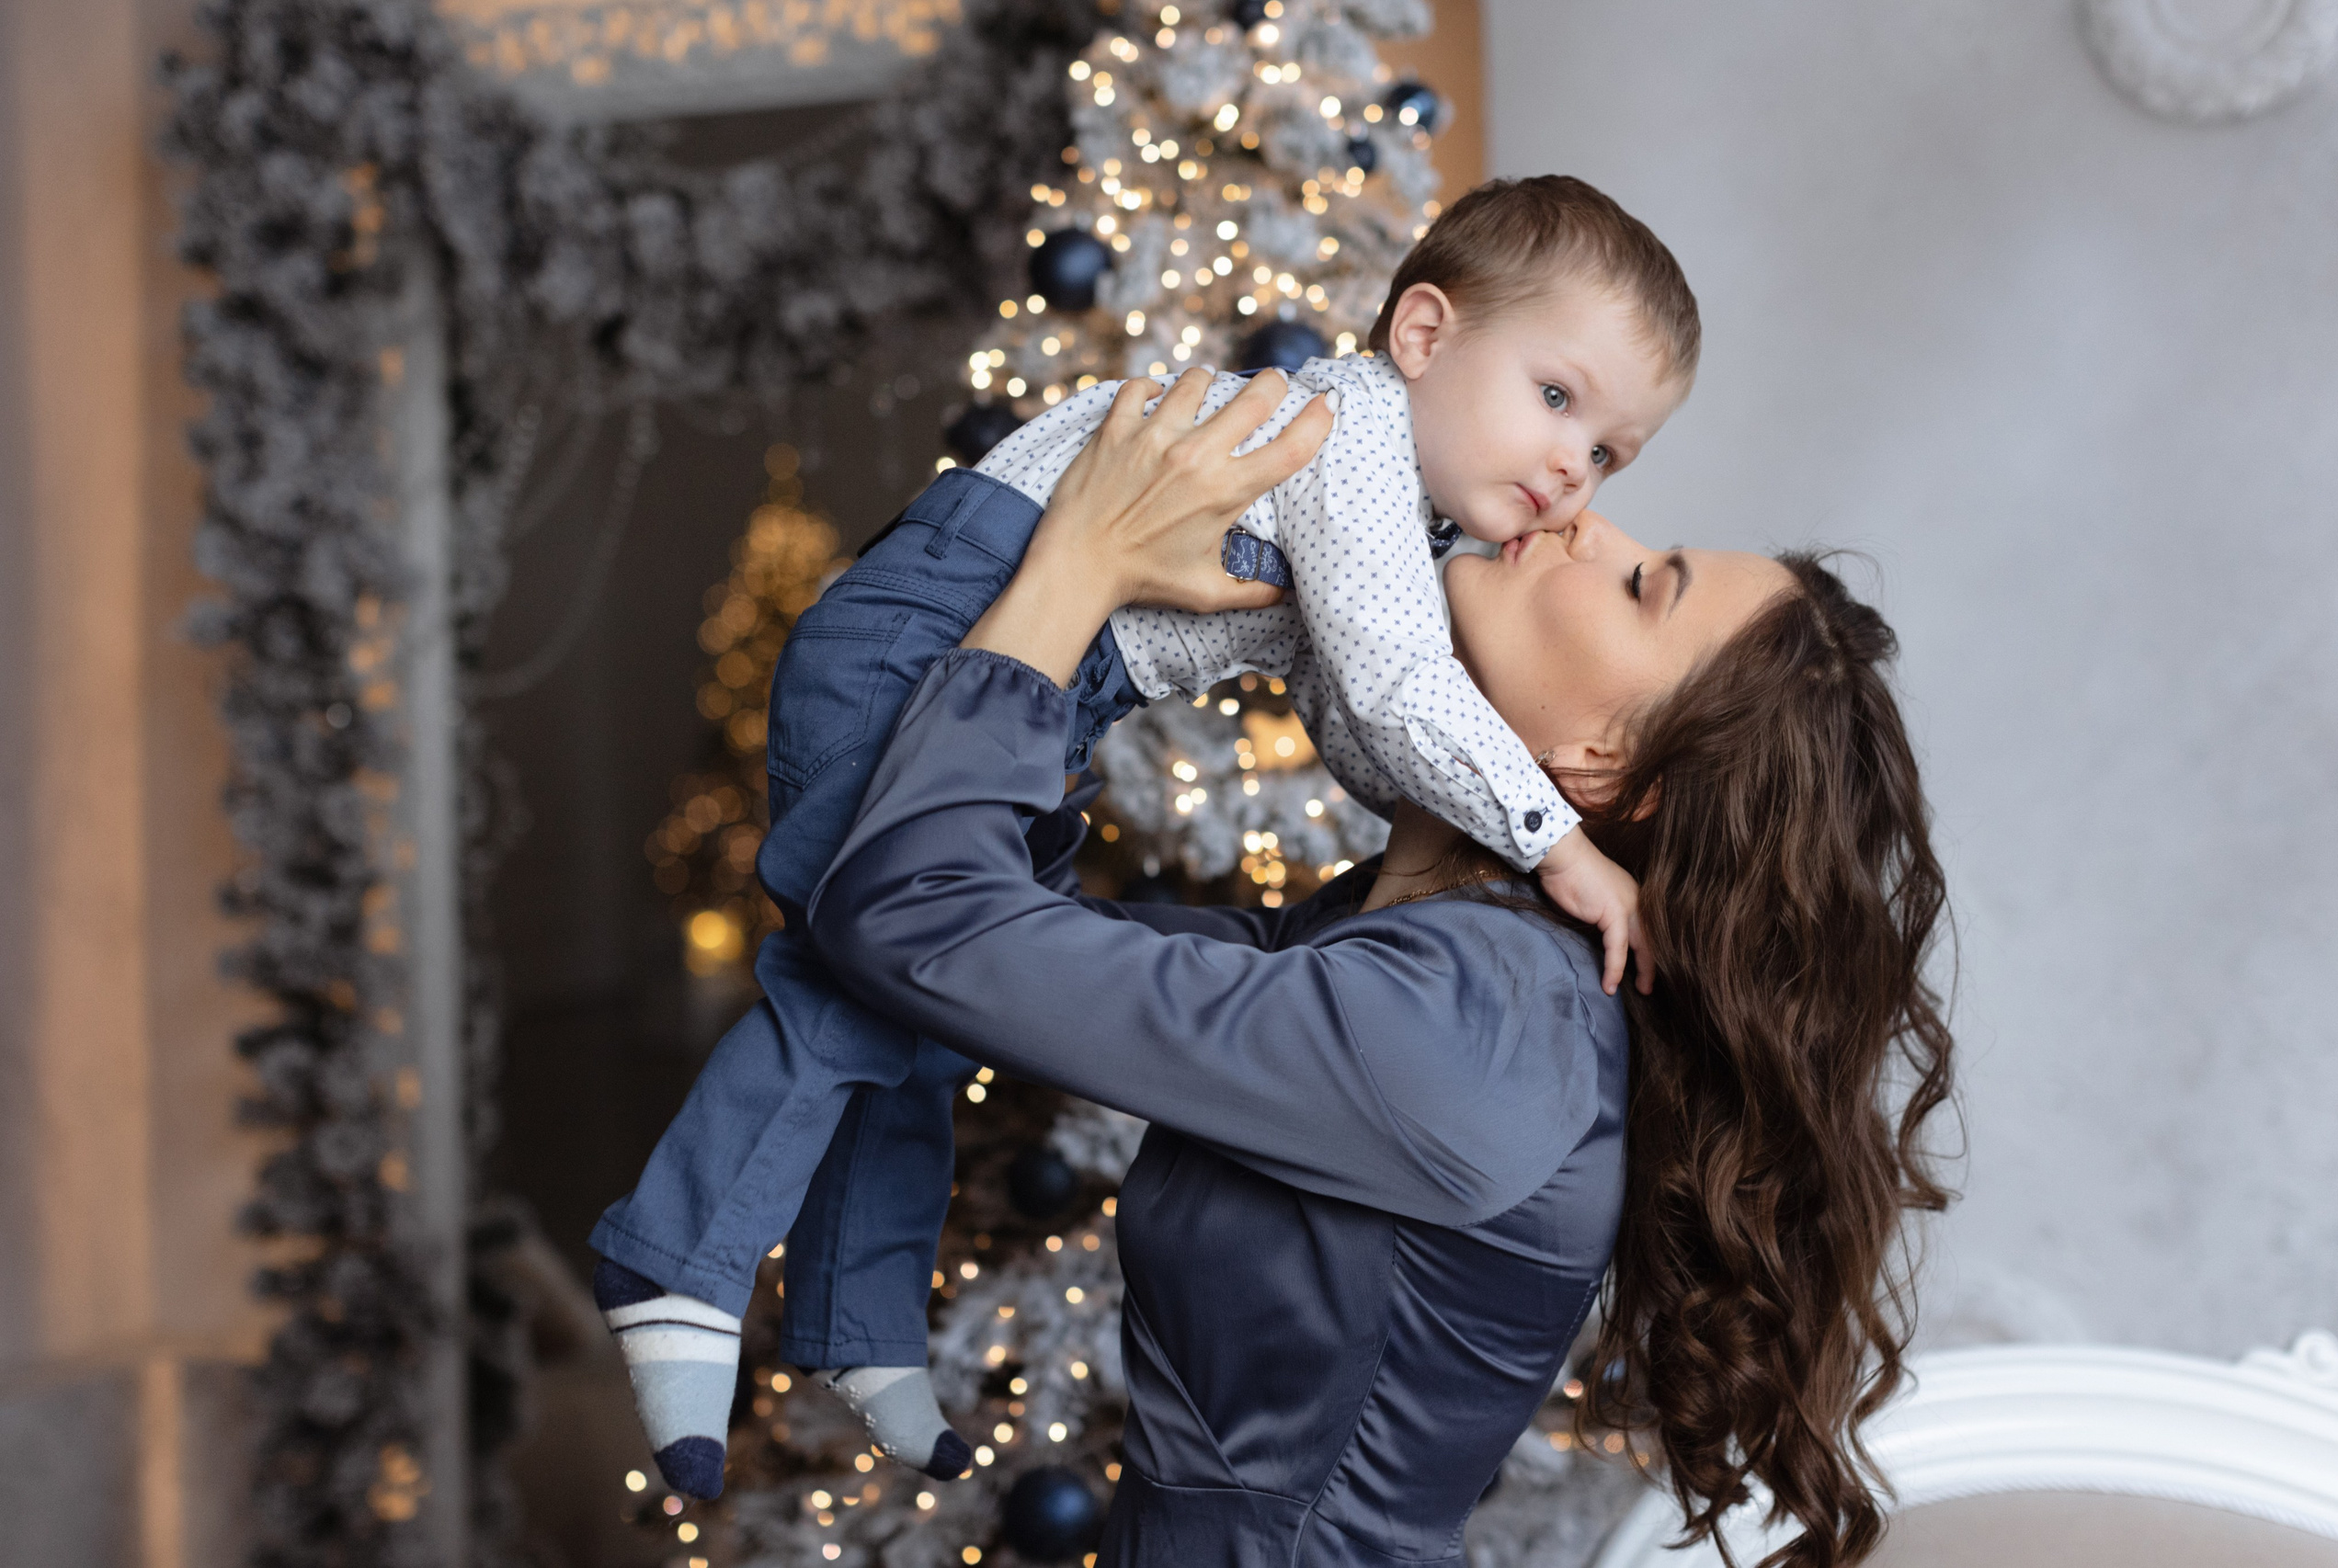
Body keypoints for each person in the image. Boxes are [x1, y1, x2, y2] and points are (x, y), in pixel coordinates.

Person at [590, 176, 1700, 1494]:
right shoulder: (1348, 431)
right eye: (1558, 398)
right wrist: (1555, 841)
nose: (1575, 471)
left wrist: (1473, 818)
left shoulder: (1405, 525)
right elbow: (1397, 691)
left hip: (1041, 695)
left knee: (921, 1024)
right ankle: (673, 1254)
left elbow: (1357, 725)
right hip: (930, 637)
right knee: (846, 989)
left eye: (1612, 452)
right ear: (1422, 336)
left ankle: (856, 1320)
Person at [804, 375, 1957, 1568]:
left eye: (1639, 584)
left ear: (1611, 767)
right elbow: (977, 937)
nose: (1585, 517)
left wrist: (1078, 565)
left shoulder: (1483, 1022)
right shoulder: (1417, 946)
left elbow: (912, 915)